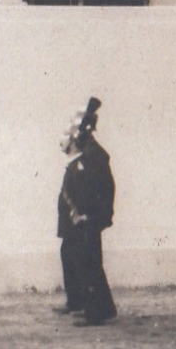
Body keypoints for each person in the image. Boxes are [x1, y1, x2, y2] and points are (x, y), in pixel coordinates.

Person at [55, 98, 116, 326]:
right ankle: (83, 302)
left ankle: (98, 310)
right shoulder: (85, 157)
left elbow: (96, 190)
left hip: (87, 219)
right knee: (76, 257)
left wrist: (89, 216)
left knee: (89, 262)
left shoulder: (94, 157)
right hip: (78, 220)